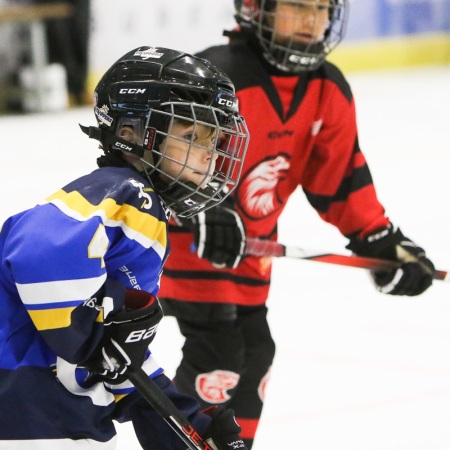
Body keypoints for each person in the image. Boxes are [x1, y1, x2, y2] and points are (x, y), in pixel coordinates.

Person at [158, 1, 436, 448]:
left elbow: (342, 178)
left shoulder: (328, 89)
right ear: (255, 8)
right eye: (297, 6)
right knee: (222, 356)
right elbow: (164, 159)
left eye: (322, 9)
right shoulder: (216, 76)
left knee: (255, 355)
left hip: (252, 255)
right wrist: (201, 206)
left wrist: (381, 240)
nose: (312, 20)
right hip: (188, 246)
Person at [0, 45, 250, 449]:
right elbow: (35, 251)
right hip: (28, 417)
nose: (209, 154)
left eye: (213, 138)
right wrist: (88, 334)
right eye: (191, 136)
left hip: (55, 418)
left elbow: (122, 364)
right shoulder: (129, 196)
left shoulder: (132, 209)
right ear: (131, 132)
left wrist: (189, 423)